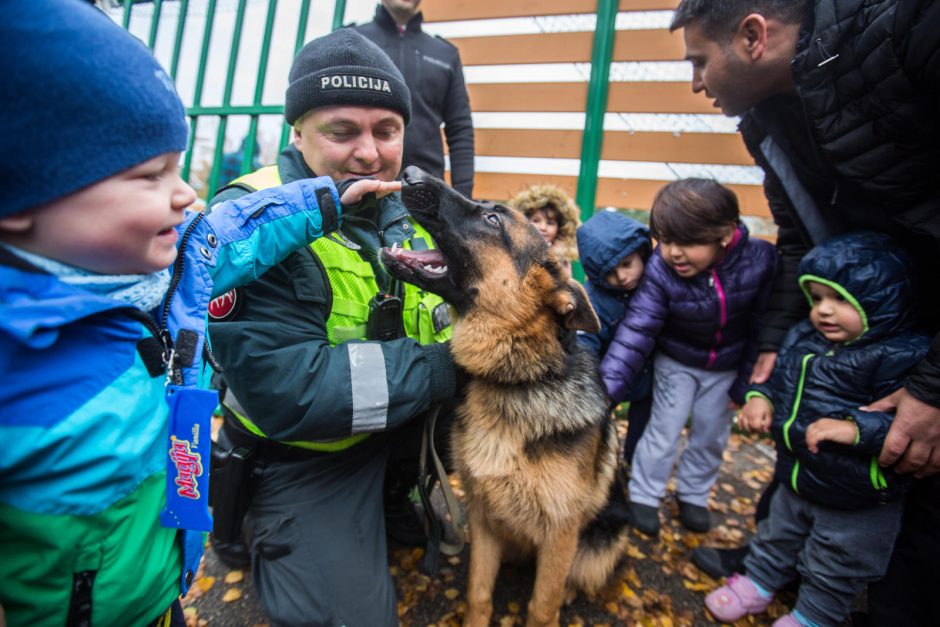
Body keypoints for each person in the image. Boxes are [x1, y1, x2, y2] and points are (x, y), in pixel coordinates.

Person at [0, 1, 389, 624]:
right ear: (22, 197)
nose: (184, 193)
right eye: (150, 176)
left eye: (177, 168)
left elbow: (230, 233)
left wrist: (328, 199)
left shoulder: (161, 270)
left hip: (161, 589)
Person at [669, 3, 940, 619]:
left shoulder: (907, 28)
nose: (696, 83)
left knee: (913, 475)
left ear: (753, 36)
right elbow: (799, 238)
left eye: (699, 62)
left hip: (921, 325)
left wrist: (933, 387)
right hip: (848, 311)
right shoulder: (766, 120)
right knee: (808, 436)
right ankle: (777, 562)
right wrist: (773, 340)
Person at [205, 29, 460, 627]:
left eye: (387, 131)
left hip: (396, 436)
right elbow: (287, 391)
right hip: (303, 455)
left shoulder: (412, 205)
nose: (370, 154)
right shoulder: (251, 220)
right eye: (342, 132)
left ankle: (396, 497)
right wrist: (447, 368)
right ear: (297, 132)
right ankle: (258, 522)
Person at [705, 232, 931, 627]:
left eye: (841, 300)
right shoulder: (803, 338)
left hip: (858, 495)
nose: (824, 311)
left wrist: (855, 428)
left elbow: (911, 427)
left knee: (835, 561)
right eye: (818, 298)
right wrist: (760, 397)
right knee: (777, 534)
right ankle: (758, 583)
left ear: (882, 301)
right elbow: (777, 382)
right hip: (798, 475)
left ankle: (813, 616)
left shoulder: (903, 355)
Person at [599, 178, 777, 537]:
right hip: (676, 362)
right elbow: (637, 331)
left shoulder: (760, 259)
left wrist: (747, 385)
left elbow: (765, 325)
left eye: (687, 242)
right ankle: (645, 495)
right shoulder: (661, 271)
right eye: (665, 241)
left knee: (711, 433)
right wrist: (604, 392)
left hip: (726, 365)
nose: (673, 252)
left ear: (725, 234)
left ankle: (693, 494)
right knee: (663, 430)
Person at [353, 0, 475, 198]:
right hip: (362, 185)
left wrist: (463, 198)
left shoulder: (445, 54)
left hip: (425, 191)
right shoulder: (352, 40)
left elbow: (460, 128)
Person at [576, 209, 653, 466]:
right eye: (610, 272)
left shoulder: (656, 285)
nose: (621, 277)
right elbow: (585, 343)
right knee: (595, 433)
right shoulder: (595, 299)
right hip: (608, 378)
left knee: (643, 437)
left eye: (627, 264)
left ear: (642, 251)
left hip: (650, 380)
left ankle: (633, 466)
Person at [510, 183, 581, 279]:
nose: (543, 227)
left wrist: (557, 257)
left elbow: (565, 285)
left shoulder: (561, 258)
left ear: (560, 228)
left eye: (550, 223)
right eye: (536, 221)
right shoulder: (515, 251)